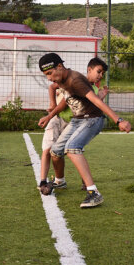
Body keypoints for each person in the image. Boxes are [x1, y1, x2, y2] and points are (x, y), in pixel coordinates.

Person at [37, 53, 131, 208]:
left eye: (49, 73)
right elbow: (66, 102)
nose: (48, 78)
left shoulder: (75, 80)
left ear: (59, 67)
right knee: (55, 151)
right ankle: (60, 181)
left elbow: (96, 101)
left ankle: (94, 193)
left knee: (72, 148)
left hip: (92, 119)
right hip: (77, 120)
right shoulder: (62, 79)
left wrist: (118, 120)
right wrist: (50, 115)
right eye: (46, 75)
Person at [38, 57, 110, 195]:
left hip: (76, 122)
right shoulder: (69, 79)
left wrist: (101, 97)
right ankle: (48, 181)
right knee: (51, 150)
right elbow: (60, 98)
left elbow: (93, 106)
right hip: (61, 119)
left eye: (102, 74)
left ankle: (89, 187)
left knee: (73, 149)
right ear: (89, 69)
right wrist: (51, 111)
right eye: (99, 72)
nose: (100, 76)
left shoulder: (89, 86)